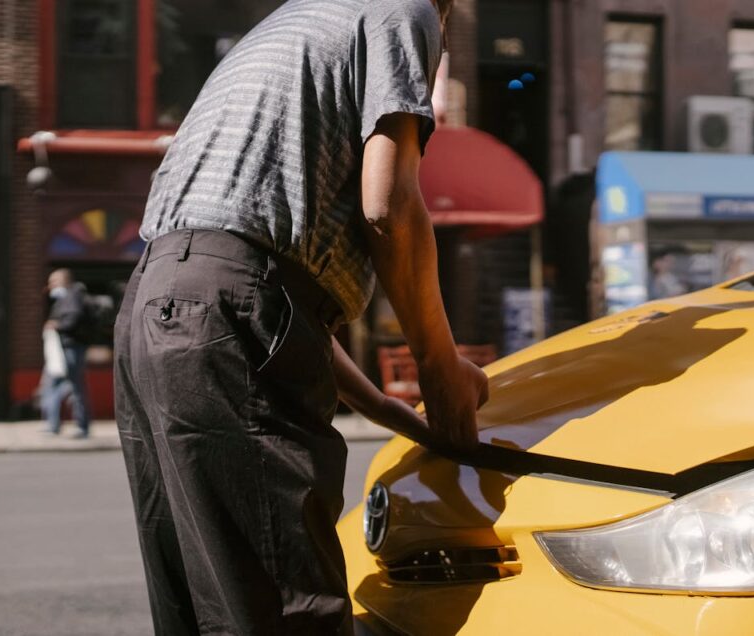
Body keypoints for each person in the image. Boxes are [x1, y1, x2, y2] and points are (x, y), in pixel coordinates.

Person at [114, 0, 488, 634]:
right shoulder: (402, 11)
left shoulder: (294, 21)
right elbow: (387, 203)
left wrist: (388, 408)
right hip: (224, 306)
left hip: (153, 306)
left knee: (206, 612)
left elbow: (253, 275)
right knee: (288, 613)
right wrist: (437, 363)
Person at [41, 268, 91, 438]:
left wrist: (57, 325)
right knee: (58, 386)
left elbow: (73, 319)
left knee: (71, 387)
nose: (50, 286)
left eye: (53, 282)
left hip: (70, 349)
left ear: (64, 281)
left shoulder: (72, 295)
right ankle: (54, 425)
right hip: (63, 349)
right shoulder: (65, 298)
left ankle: (78, 426)